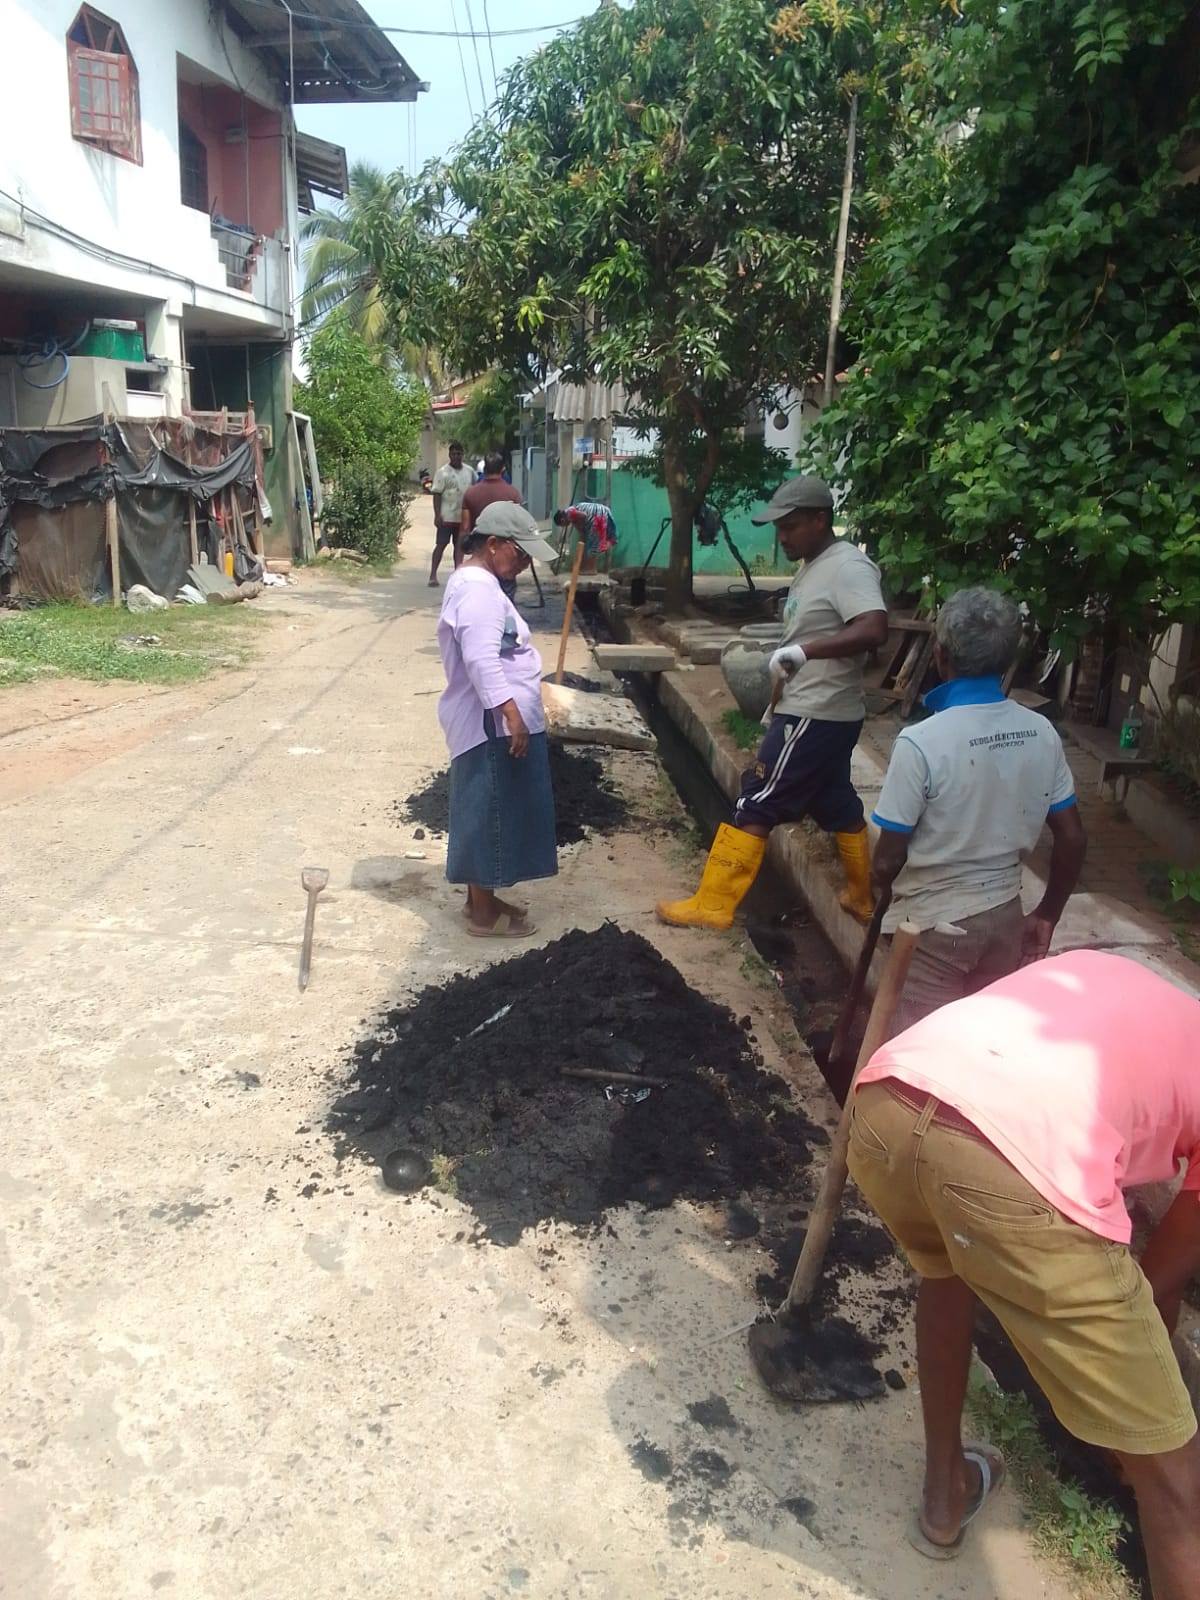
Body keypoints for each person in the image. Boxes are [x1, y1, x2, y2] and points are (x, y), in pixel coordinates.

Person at [848, 950, 1200, 1596]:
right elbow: (1158, 1286)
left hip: (885, 1107)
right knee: (1177, 1477)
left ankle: (945, 1496)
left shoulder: (1125, 980)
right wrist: (1133, 1430)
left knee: (949, 1269)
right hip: (1011, 1156)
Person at [656, 475, 889, 931]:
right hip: (821, 711)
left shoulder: (848, 566)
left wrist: (805, 652)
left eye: (790, 526)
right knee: (836, 802)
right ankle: (860, 895)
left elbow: (874, 627)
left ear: (820, 520)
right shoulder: (816, 563)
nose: (782, 537)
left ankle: (713, 905)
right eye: (779, 528)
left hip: (814, 711)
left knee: (756, 800)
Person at [870, 586, 1087, 1031]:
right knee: (979, 1045)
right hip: (1005, 916)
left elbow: (887, 860)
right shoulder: (1041, 732)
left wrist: (881, 898)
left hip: (934, 927)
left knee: (920, 1051)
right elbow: (1072, 836)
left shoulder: (920, 742)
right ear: (1008, 660)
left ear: (940, 654)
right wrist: (1047, 913)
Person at [437, 501, 560, 938]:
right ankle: (484, 915)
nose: (526, 564)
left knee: (490, 806)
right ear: (492, 544)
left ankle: (480, 901)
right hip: (490, 723)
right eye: (520, 554)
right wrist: (511, 715)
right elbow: (481, 660)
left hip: (491, 720)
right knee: (489, 810)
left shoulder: (479, 584)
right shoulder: (477, 591)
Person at [461, 452, 524, 599]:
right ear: (503, 469)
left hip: (480, 557)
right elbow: (518, 528)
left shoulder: (470, 493)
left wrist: (461, 558)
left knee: (479, 599)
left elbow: (464, 528)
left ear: (484, 469)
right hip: (505, 557)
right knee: (505, 602)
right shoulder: (513, 494)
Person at [428, 441, 475, 587]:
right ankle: (433, 575)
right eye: (453, 454)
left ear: (463, 455)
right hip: (446, 516)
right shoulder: (442, 472)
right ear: (449, 455)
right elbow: (436, 494)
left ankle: (457, 576)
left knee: (459, 547)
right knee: (441, 545)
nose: (456, 456)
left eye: (459, 454)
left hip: (463, 517)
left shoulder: (470, 471)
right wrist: (437, 515)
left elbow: (475, 491)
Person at [553, 501, 617, 571]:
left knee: (593, 544)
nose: (565, 527)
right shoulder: (570, 512)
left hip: (597, 515)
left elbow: (584, 515)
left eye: (563, 526)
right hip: (603, 511)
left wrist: (580, 527)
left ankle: (591, 569)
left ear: (562, 520)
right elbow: (581, 531)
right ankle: (593, 567)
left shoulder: (570, 513)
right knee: (599, 542)